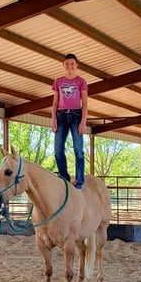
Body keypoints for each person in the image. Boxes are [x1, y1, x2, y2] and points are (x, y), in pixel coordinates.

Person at [51, 53, 88, 190]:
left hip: (76, 115)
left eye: (72, 63)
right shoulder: (58, 82)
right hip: (61, 116)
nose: (69, 66)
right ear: (63, 65)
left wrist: (83, 121)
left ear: (76, 65)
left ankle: (79, 182)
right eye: (67, 64)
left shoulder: (81, 82)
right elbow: (55, 103)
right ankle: (64, 178)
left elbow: (85, 103)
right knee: (58, 150)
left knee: (78, 150)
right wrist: (53, 119)